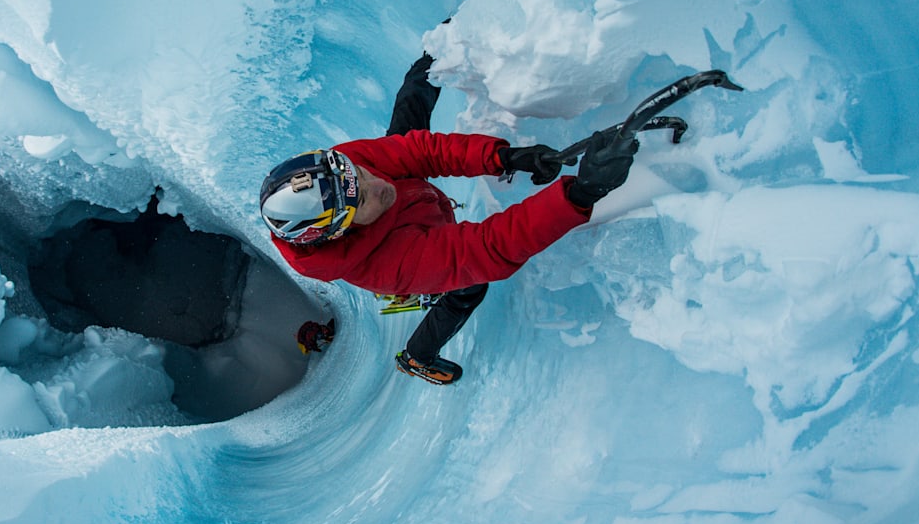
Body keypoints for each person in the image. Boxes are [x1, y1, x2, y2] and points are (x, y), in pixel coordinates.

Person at [259, 53, 639, 385]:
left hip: (413, 200)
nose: (375, 181)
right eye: (360, 196)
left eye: (358, 171)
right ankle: (417, 357)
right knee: (470, 286)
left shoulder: (340, 172)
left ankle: (434, 57)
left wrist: (504, 158)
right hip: (416, 234)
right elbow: (487, 247)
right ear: (341, 231)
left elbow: (423, 152)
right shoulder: (391, 264)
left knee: (409, 121)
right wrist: (581, 193)